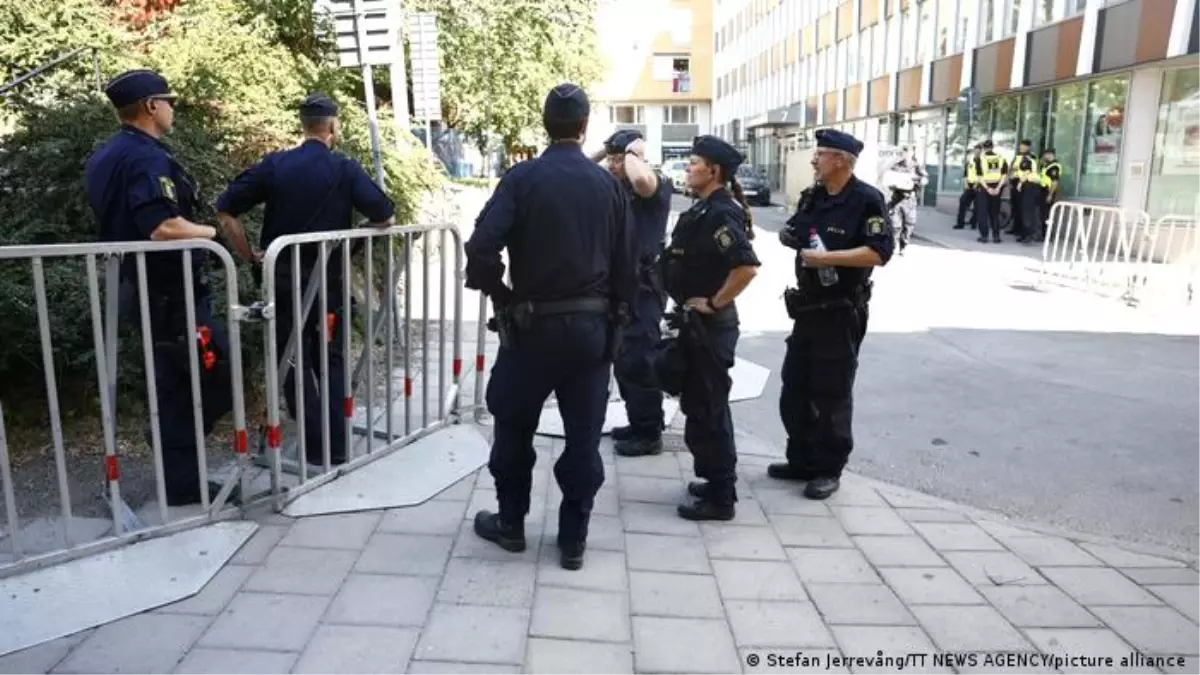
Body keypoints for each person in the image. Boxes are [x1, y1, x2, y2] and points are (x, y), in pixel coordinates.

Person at [464, 83, 638, 570]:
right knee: (584, 437)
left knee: (513, 426)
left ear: (546, 124)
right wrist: (619, 322)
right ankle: (573, 539)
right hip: (590, 333)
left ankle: (512, 524)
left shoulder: (522, 178)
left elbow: (480, 247)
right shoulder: (609, 186)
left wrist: (499, 293)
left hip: (531, 329)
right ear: (585, 128)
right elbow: (630, 265)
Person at [215, 94, 396, 469]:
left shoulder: (276, 165)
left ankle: (314, 447)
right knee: (331, 359)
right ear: (332, 126)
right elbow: (385, 216)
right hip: (328, 284)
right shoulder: (344, 169)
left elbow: (226, 210)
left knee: (292, 361)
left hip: (283, 282)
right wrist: (354, 236)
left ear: (304, 125)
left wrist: (249, 255)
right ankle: (337, 446)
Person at [85, 69, 233, 506]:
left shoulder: (108, 155)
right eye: (167, 101)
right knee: (211, 378)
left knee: (177, 382)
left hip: (142, 287)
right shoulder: (146, 158)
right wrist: (212, 233)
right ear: (151, 106)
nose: (172, 108)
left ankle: (177, 465)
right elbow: (162, 225)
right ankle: (179, 469)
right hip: (170, 292)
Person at [770, 129, 894, 500]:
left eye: (820, 154)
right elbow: (795, 229)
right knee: (795, 387)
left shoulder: (866, 200)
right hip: (807, 308)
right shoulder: (815, 195)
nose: (813, 160)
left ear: (841, 159)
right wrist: (789, 237)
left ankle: (827, 469)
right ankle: (802, 459)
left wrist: (827, 258)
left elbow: (878, 253)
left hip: (841, 309)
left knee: (832, 393)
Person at [660, 135, 760, 521]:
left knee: (710, 409)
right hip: (695, 324)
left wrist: (715, 302)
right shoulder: (704, 209)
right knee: (699, 407)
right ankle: (713, 480)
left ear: (713, 171)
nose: (688, 168)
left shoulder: (721, 212)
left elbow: (746, 267)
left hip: (710, 326)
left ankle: (721, 497)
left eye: (693, 163)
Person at [588, 129, 673, 458]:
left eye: (618, 159)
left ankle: (650, 431)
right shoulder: (613, 186)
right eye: (611, 159)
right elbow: (579, 169)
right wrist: (606, 151)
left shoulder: (653, 183)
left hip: (645, 288)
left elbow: (641, 181)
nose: (612, 164)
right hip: (619, 285)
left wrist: (633, 154)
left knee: (640, 359)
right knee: (623, 358)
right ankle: (638, 422)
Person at [883, 145, 926, 255]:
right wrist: (892, 183)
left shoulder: (917, 167)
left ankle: (904, 245)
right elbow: (889, 178)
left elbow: (924, 179)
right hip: (897, 198)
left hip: (910, 199)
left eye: (908, 152)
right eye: (904, 153)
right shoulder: (896, 166)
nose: (906, 155)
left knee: (909, 224)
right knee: (895, 224)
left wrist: (918, 180)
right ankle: (892, 246)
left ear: (912, 154)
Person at [967, 139, 1008, 244]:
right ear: (993, 147)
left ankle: (984, 236)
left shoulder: (980, 159)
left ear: (984, 148)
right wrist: (998, 188)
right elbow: (1004, 175)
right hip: (997, 187)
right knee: (995, 213)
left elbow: (979, 176)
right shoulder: (1001, 158)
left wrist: (987, 188)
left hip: (984, 188)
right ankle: (996, 237)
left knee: (983, 213)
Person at [1008, 139, 1038, 240]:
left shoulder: (1030, 157)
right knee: (1016, 207)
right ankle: (1016, 228)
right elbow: (1013, 168)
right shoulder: (1017, 156)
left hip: (1025, 184)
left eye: (1024, 146)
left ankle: (1025, 232)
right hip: (1016, 183)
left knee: (1025, 209)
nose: (1022, 148)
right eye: (1021, 146)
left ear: (1028, 147)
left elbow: (1026, 171)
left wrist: (1020, 183)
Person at [1035, 148, 1062, 241]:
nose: (1044, 157)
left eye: (1045, 155)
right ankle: (1042, 234)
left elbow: (1055, 182)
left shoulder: (1054, 166)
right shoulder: (1047, 165)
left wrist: (1050, 194)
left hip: (1048, 191)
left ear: (1050, 155)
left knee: (1046, 214)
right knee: (1042, 214)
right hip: (1043, 190)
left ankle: (1047, 235)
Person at [954, 144, 981, 230]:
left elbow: (983, 175)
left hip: (979, 186)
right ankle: (960, 223)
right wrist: (965, 183)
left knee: (978, 206)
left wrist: (977, 184)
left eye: (979, 151)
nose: (977, 153)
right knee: (963, 202)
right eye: (976, 151)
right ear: (974, 151)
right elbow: (966, 174)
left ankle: (974, 222)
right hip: (969, 185)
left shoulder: (983, 162)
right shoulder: (970, 162)